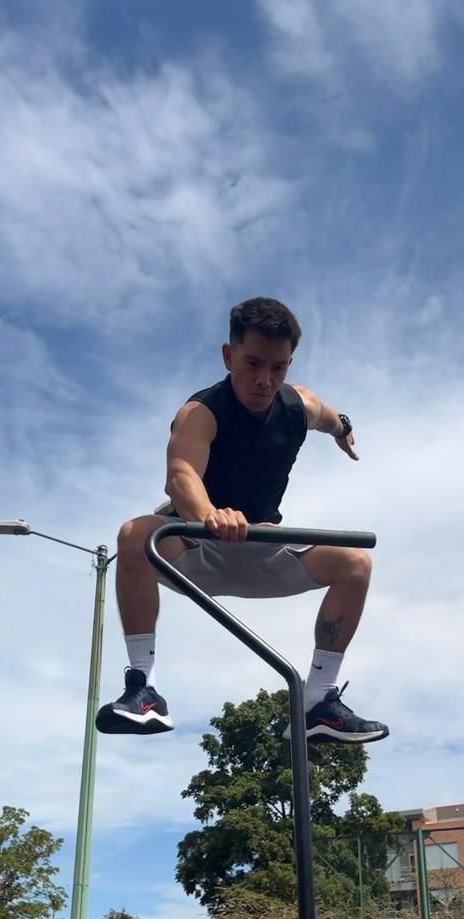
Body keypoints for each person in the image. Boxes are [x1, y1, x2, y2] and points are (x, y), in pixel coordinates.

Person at [97, 297, 389, 745]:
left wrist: (344, 428)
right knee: (135, 535)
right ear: (229, 356)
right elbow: (181, 475)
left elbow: (331, 418)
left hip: (260, 548)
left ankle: (318, 703)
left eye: (278, 367)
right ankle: (144, 689)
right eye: (253, 363)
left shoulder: (299, 406)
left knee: (355, 563)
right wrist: (209, 517)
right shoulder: (201, 413)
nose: (264, 380)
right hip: (195, 549)